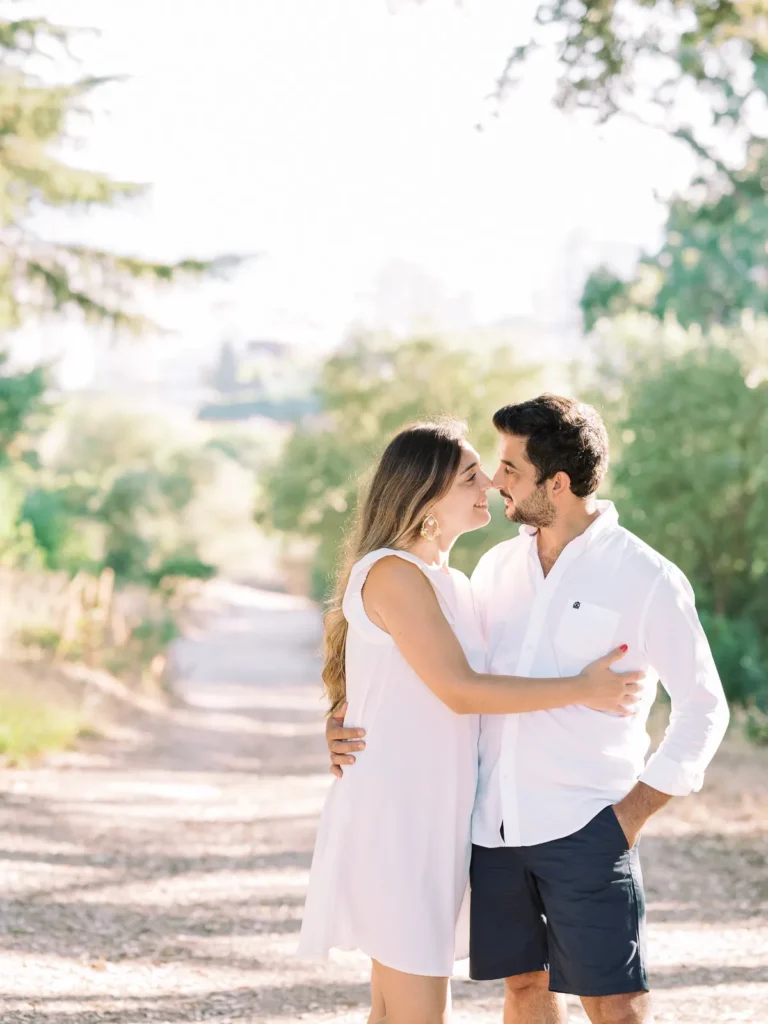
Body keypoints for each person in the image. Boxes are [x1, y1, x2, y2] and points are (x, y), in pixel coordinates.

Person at [328, 396, 730, 1024]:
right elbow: (432, 670)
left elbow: (705, 707)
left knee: (616, 1005)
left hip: (587, 824)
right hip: (493, 830)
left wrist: (631, 814)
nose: (496, 479)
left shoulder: (644, 576)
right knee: (522, 993)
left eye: (511, 468)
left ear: (558, 483)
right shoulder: (492, 570)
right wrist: (348, 714)